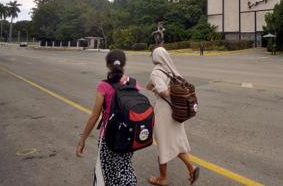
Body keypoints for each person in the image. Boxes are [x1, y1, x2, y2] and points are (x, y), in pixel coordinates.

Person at [76, 49, 138, 186]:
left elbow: (94, 116)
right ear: (124, 64)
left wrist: (82, 139)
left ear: (107, 65)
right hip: (128, 136)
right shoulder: (133, 83)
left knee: (109, 173)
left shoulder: (103, 86)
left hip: (109, 137)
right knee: (124, 166)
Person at [146, 47, 200, 186]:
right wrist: (154, 86)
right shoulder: (171, 69)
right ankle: (191, 168)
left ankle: (163, 178)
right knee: (175, 142)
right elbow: (149, 86)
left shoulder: (157, 72)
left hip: (164, 113)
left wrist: (158, 88)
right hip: (177, 111)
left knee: (163, 144)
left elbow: (164, 92)